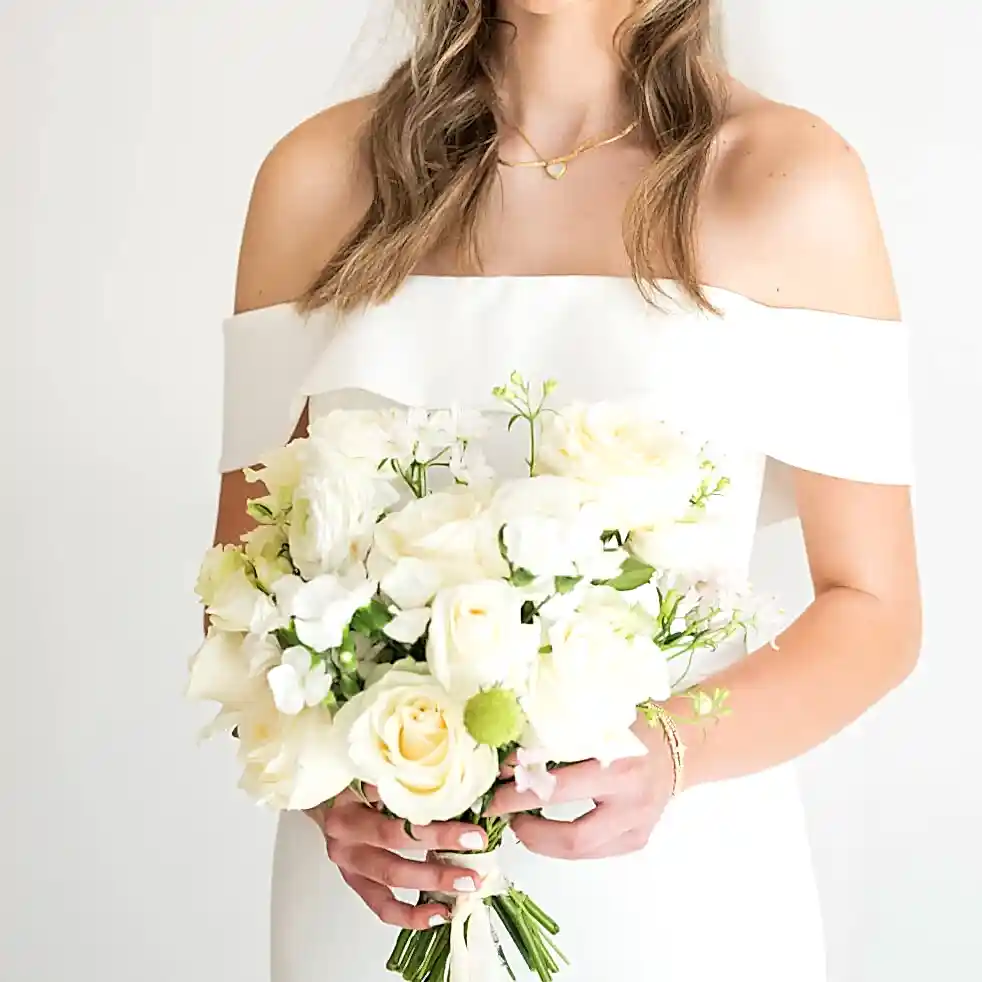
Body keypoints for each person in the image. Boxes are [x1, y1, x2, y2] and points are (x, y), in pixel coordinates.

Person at [212, 2, 920, 979]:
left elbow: (874, 610)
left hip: (677, 888)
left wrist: (668, 753)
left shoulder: (787, 180)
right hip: (383, 889)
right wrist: (329, 789)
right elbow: (242, 590)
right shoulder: (319, 178)